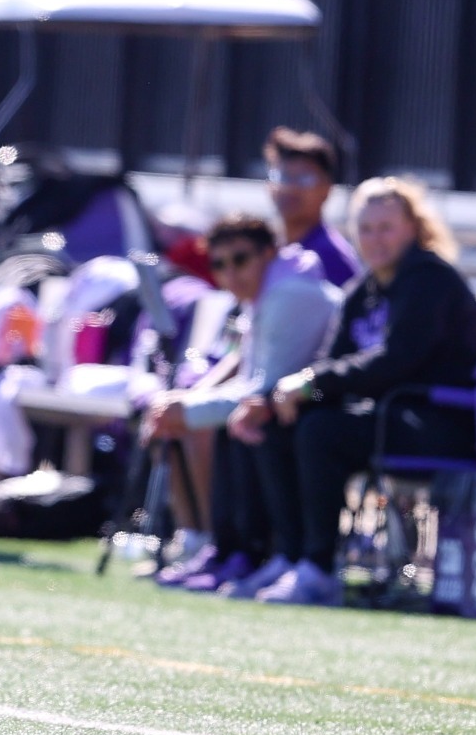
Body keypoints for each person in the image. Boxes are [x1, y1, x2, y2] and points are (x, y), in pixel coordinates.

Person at [253, 177, 476, 606]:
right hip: (380, 414)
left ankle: (319, 569)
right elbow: (332, 361)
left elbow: (396, 361)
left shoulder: (430, 280)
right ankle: (287, 556)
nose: (375, 239)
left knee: (321, 432)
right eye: (366, 228)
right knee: (276, 424)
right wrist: (292, 397)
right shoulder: (364, 290)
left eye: (386, 227)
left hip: (436, 419)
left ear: (412, 228)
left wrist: (312, 385)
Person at [141, 215, 340, 595]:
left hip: (321, 400)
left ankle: (251, 554)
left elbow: (263, 387)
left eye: (240, 259)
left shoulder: (289, 294)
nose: (230, 273)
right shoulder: (264, 293)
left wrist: (189, 410)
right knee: (226, 420)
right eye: (219, 264)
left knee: (243, 423)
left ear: (268, 254)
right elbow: (249, 376)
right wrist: (185, 404)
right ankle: (212, 545)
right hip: (295, 400)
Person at [264, 126, 361, 289]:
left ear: (327, 189)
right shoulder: (266, 250)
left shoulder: (332, 258)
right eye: (282, 176)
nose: (291, 188)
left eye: (304, 179)